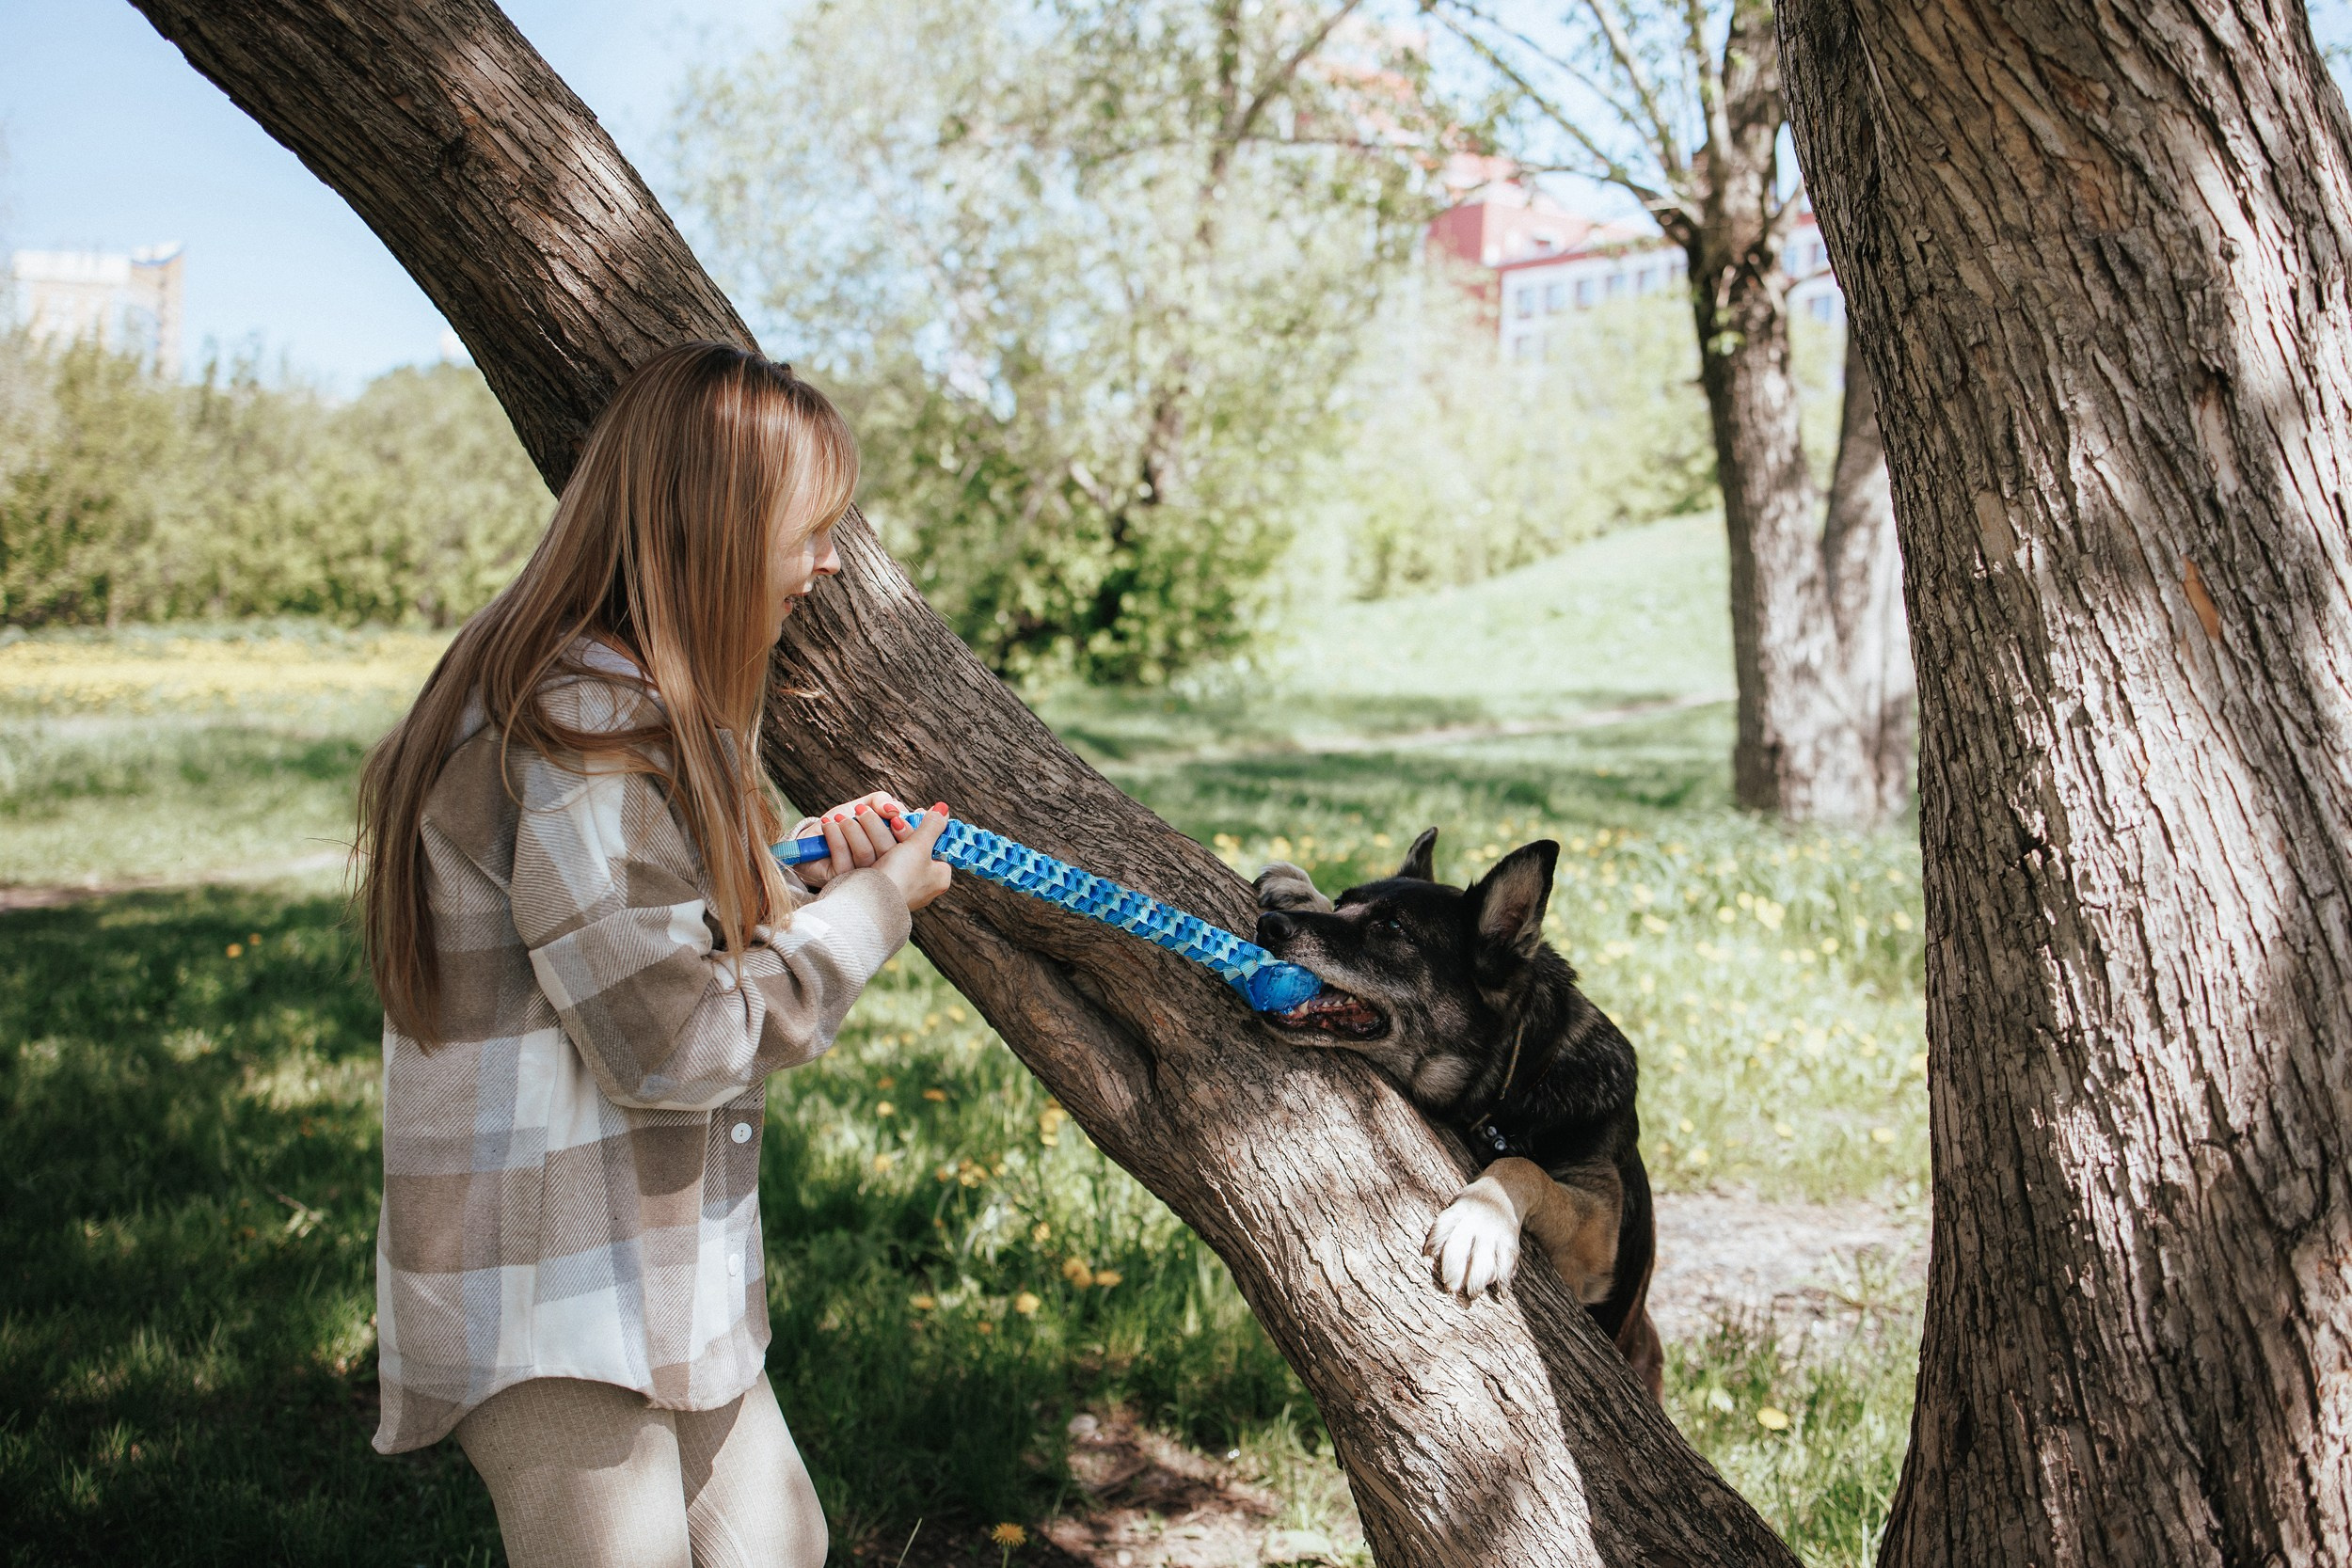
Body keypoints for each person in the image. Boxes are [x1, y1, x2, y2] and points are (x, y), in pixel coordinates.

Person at [355, 341, 949, 1568]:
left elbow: (641, 950)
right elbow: (673, 1042)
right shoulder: (584, 729)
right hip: (555, 1301)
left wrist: (795, 889)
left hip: (647, 1272)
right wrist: (875, 913)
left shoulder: (632, 708)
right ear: (719, 525)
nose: (830, 563)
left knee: (776, 1548)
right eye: (812, 528)